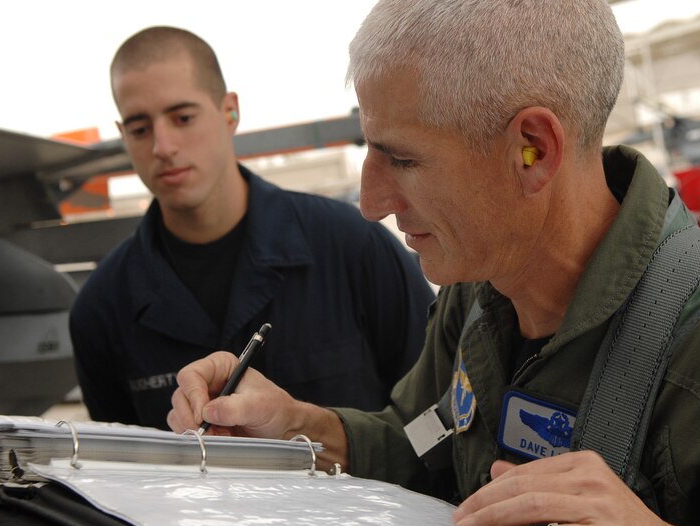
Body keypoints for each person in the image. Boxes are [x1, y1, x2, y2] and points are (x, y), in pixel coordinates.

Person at [168, 2, 700, 526]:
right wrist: (297, 431)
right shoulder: (476, 298)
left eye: (403, 160)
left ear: (534, 150)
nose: (370, 203)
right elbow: (419, 447)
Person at [69, 26, 435, 430]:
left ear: (230, 112)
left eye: (183, 117)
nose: (163, 146)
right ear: (123, 136)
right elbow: (119, 474)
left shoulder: (351, 247)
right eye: (140, 129)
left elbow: (436, 416)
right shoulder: (102, 308)